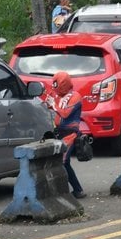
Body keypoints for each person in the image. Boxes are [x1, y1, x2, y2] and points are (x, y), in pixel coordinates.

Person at [48, 71, 86, 199]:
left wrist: (53, 105)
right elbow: (49, 106)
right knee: (62, 162)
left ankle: (73, 190)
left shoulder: (76, 96)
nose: (56, 89)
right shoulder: (57, 95)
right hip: (59, 132)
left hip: (70, 134)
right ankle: (76, 190)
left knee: (63, 161)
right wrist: (49, 102)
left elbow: (65, 114)